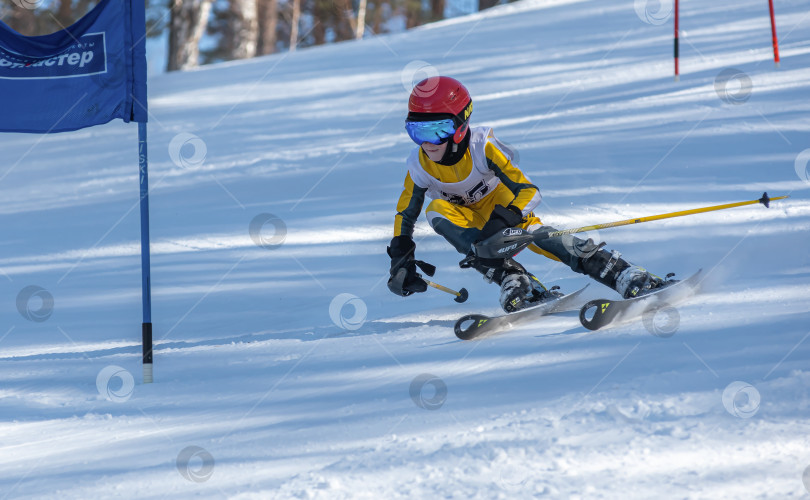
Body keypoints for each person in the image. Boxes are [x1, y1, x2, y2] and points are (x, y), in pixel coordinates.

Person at [387, 76, 665, 312]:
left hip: (506, 210)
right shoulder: (419, 164)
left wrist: (506, 217)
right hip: (471, 224)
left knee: (544, 239)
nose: (427, 142)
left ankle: (621, 273)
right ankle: (516, 280)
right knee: (436, 210)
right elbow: (405, 213)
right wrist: (401, 255)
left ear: (460, 126)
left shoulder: (482, 147)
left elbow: (529, 191)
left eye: (437, 131)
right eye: (416, 131)